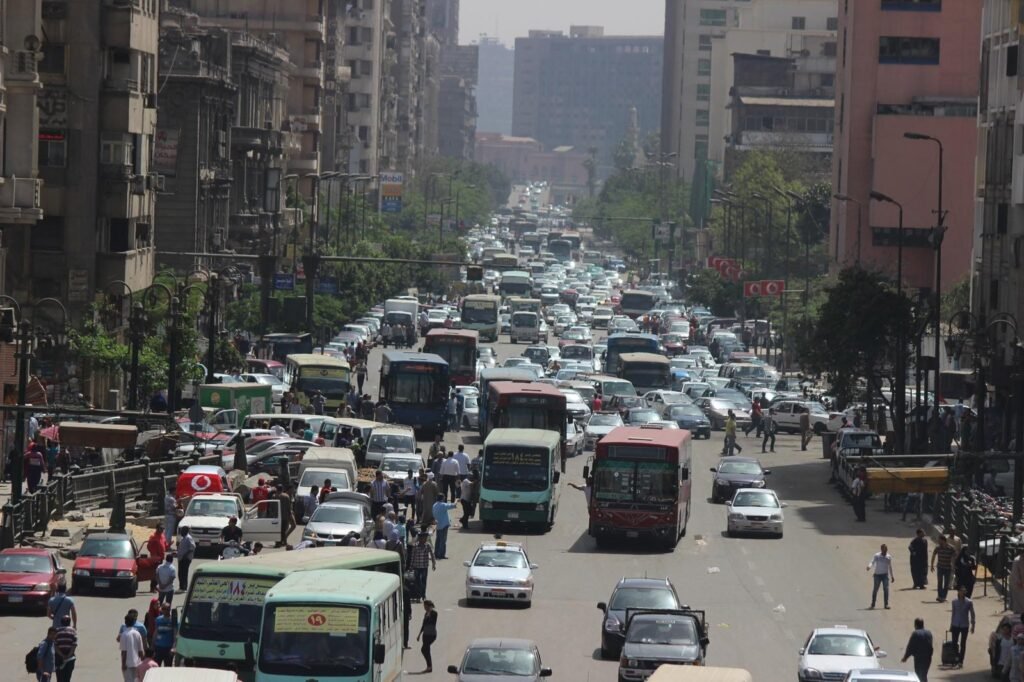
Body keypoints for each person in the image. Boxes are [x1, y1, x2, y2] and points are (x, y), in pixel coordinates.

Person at [949, 586, 975, 668]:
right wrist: (951, 625)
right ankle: (957, 657)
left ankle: (961, 661)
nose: (962, 593)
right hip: (955, 624)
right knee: (954, 643)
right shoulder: (954, 602)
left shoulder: (969, 602)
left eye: (964, 591)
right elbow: (953, 613)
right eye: (961, 591)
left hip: (964, 625)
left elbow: (972, 614)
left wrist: (973, 625)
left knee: (963, 643)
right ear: (958, 592)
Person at [900, 618, 933, 682]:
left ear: (916, 625)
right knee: (924, 675)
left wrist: (905, 658)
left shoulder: (915, 634)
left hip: (919, 659)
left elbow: (910, 647)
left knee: (918, 676)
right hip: (928, 659)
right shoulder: (929, 633)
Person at [409, 531, 436, 600]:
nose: (425, 539)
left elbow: (432, 555)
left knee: (423, 581)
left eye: (425, 538)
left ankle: (423, 595)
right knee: (417, 582)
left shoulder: (428, 546)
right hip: (417, 567)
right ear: (420, 538)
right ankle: (418, 596)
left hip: (424, 567)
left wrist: (433, 564)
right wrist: (411, 566)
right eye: (423, 538)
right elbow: (413, 557)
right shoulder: (415, 546)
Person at [867, 543, 895, 609]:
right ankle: (873, 604)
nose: (885, 551)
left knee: (886, 589)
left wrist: (892, 576)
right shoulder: (877, 555)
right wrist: (869, 566)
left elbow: (890, 567)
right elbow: (872, 561)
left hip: (885, 575)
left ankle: (886, 604)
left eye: (886, 549)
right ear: (881, 549)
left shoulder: (888, 557)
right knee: (875, 589)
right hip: (877, 575)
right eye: (884, 549)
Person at [119, 612, 145, 682]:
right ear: (134, 622)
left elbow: (124, 651)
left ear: (125, 622)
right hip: (137, 663)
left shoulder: (124, 634)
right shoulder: (137, 633)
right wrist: (143, 662)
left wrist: (123, 664)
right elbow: (141, 651)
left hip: (127, 664)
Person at [931, 534, 956, 602]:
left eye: (939, 540)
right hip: (940, 567)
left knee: (946, 583)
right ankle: (939, 596)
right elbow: (933, 555)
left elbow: (954, 557)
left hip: (948, 568)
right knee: (940, 582)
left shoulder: (951, 548)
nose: (938, 541)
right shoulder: (938, 547)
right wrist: (932, 565)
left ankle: (944, 596)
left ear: (943, 540)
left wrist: (953, 565)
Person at [54, 614, 77, 682]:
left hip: (59, 658)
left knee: (59, 677)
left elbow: (55, 646)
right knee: (67, 678)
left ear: (61, 622)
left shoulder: (57, 631)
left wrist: (62, 655)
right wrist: (68, 655)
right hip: (70, 658)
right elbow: (74, 645)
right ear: (69, 622)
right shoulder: (73, 631)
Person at [417, 600, 438, 674]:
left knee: (424, 649)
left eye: (425, 606)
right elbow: (423, 624)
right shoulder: (426, 614)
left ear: (428, 606)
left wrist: (429, 615)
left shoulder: (434, 613)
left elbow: (433, 623)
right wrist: (419, 634)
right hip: (425, 634)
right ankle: (429, 667)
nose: (424, 607)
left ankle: (429, 667)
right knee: (425, 650)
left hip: (431, 635)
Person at [146, 524, 167, 592]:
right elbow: (149, 546)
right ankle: (152, 587)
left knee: (159, 573)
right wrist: (154, 554)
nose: (162, 530)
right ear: (157, 529)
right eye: (160, 528)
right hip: (155, 558)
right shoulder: (153, 537)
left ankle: (155, 586)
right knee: (154, 573)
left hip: (161, 557)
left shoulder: (162, 536)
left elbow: (165, 545)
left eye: (163, 529)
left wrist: (168, 545)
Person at [177, 526, 195, 591]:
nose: (181, 532)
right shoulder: (183, 538)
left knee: (183, 573)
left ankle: (184, 587)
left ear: (186, 531)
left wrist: (185, 555)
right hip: (181, 558)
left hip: (185, 559)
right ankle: (181, 586)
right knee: (180, 573)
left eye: (182, 531)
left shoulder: (188, 538)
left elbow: (192, 548)